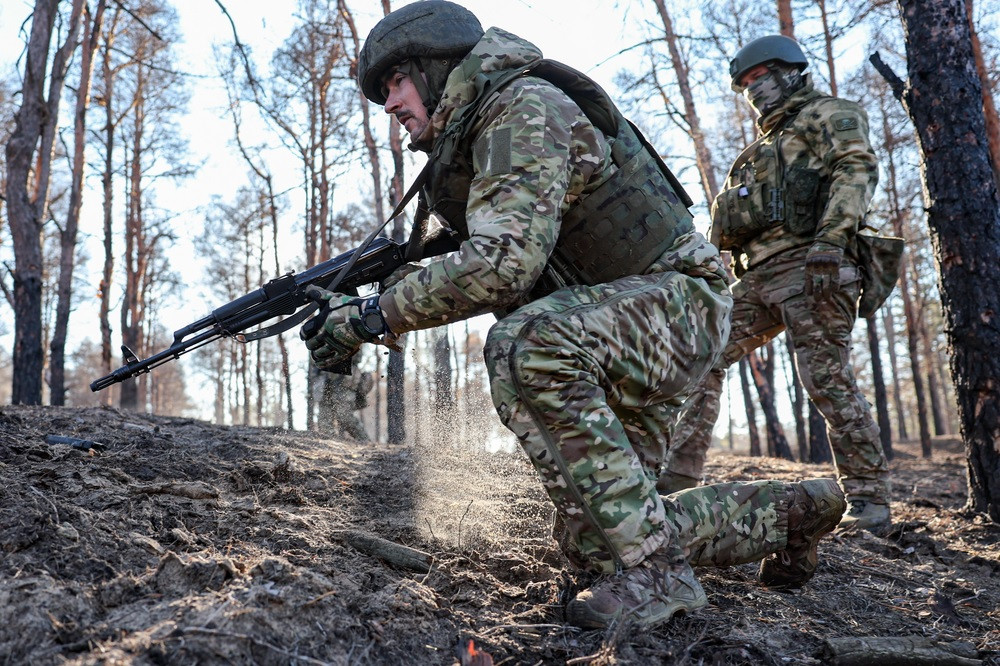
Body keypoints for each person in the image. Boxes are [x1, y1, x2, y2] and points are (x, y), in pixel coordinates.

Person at [300, 2, 845, 629]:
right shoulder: (475, 144)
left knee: (524, 344)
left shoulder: (521, 108)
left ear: (434, 68)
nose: (389, 104)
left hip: (677, 304)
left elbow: (501, 265)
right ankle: (800, 510)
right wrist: (366, 306)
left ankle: (660, 577)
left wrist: (371, 317)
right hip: (621, 325)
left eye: (395, 83)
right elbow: (495, 262)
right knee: (602, 542)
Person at [659, 35, 890, 533]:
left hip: (814, 265)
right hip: (757, 277)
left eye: (759, 77)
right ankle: (674, 482)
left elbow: (856, 168)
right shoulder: (756, 153)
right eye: (744, 85)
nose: (753, 90)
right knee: (702, 356)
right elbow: (723, 229)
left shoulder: (826, 114)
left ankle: (870, 502)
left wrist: (831, 242)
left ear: (791, 71)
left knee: (825, 377)